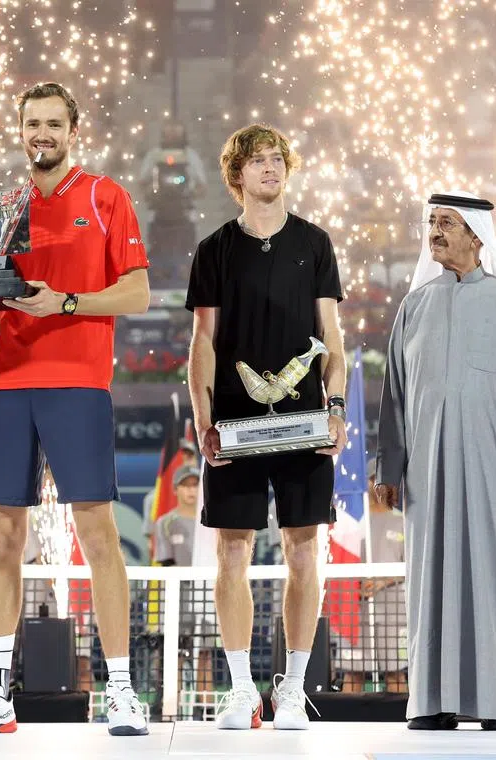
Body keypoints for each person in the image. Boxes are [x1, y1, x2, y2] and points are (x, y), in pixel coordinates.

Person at [0, 81, 151, 737]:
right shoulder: (6, 210)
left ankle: (120, 690)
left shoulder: (105, 197)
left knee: (96, 533)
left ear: (74, 130)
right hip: (9, 386)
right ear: (20, 132)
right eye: (31, 123)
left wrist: (65, 303)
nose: (41, 133)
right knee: (2, 537)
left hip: (78, 383)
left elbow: (136, 294)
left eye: (53, 123)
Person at [186, 123, 347, 731]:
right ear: (237, 176)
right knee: (233, 551)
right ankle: (240, 691)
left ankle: (293, 690)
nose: (270, 167)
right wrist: (204, 417)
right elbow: (203, 341)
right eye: (257, 161)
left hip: (306, 423)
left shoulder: (315, 242)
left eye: (277, 158)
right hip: (234, 424)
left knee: (304, 549)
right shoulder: (214, 249)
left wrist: (336, 407)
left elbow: (332, 337)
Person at [376, 191, 496, 731]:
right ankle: (432, 702)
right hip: (427, 475)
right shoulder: (415, 306)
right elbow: (394, 394)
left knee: (494, 582)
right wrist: (389, 468)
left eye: (447, 222)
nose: (436, 231)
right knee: (428, 582)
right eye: (432, 221)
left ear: (477, 236)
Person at [344, 458, 406, 694]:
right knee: (353, 674)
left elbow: (411, 565)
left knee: (395, 673)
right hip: (355, 610)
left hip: (394, 612)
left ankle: (402, 716)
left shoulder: (403, 521)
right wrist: (355, 584)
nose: (379, 485)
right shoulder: (351, 522)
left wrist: (383, 581)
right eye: (373, 479)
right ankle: (345, 719)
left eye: (383, 480)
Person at [153, 466, 215, 697]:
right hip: (176, 600)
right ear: (176, 489)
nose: (191, 490)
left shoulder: (212, 521)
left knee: (204, 653)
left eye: (195, 484)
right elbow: (166, 563)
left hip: (206, 596)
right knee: (175, 652)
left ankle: (206, 707)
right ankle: (173, 704)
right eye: (185, 485)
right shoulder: (165, 522)